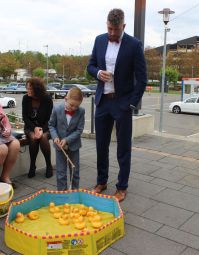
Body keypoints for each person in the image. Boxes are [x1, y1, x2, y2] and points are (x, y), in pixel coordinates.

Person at [87, 8, 147, 202]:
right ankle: (101, 181)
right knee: (101, 146)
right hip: (102, 102)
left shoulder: (134, 45)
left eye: (116, 29)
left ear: (124, 26)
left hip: (122, 104)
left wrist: (131, 104)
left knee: (123, 148)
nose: (112, 33)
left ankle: (122, 187)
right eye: (110, 29)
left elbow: (142, 78)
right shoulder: (99, 40)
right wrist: (97, 73)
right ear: (107, 25)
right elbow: (90, 65)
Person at [49, 87, 85, 190]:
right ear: (65, 99)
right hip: (60, 147)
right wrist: (55, 137)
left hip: (74, 146)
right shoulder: (57, 109)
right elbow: (51, 125)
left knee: (75, 171)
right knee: (61, 172)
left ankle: (74, 192)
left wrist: (67, 140)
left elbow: (79, 130)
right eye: (71, 105)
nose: (73, 108)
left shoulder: (81, 111)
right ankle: (62, 194)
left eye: (76, 106)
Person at [22, 77, 54, 178]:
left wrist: (41, 129)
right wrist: (34, 128)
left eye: (30, 89)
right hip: (30, 127)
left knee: (43, 137)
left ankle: (49, 166)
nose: (28, 91)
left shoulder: (47, 99)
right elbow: (25, 117)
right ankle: (32, 165)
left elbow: (50, 119)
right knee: (33, 138)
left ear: (37, 89)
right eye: (27, 88)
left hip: (46, 127)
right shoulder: (25, 98)